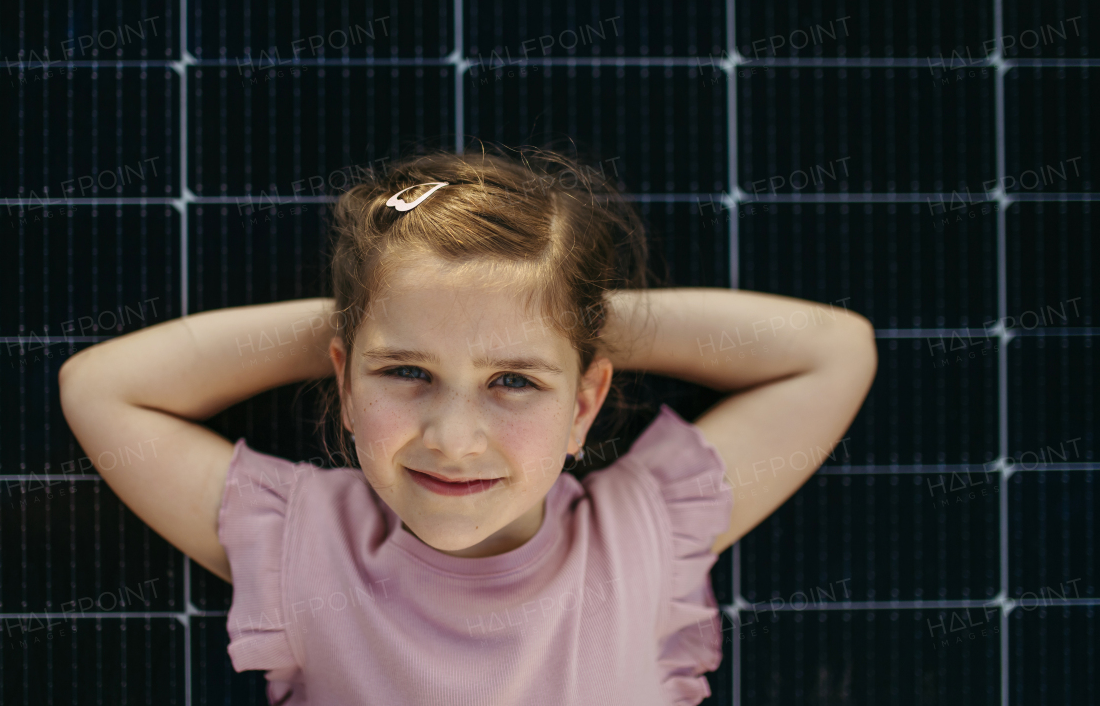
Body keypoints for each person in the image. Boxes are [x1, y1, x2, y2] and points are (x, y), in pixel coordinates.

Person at [58, 148, 878, 705]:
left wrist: (572, 314)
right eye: (406, 372)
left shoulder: (640, 536)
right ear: (344, 382)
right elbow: (99, 388)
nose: (454, 437)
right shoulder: (309, 548)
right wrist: (369, 308)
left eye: (514, 380)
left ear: (585, 404)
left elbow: (835, 352)